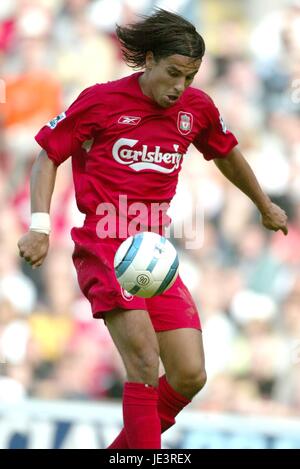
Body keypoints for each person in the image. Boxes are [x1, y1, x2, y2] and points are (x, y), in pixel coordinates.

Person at [17, 9, 288, 449]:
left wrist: (263, 203)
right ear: (148, 60)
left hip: (153, 251)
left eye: (191, 76)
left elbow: (225, 152)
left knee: (189, 375)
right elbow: (48, 155)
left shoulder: (196, 109)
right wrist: (39, 226)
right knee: (143, 361)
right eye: (173, 73)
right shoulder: (101, 101)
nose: (180, 86)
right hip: (104, 244)